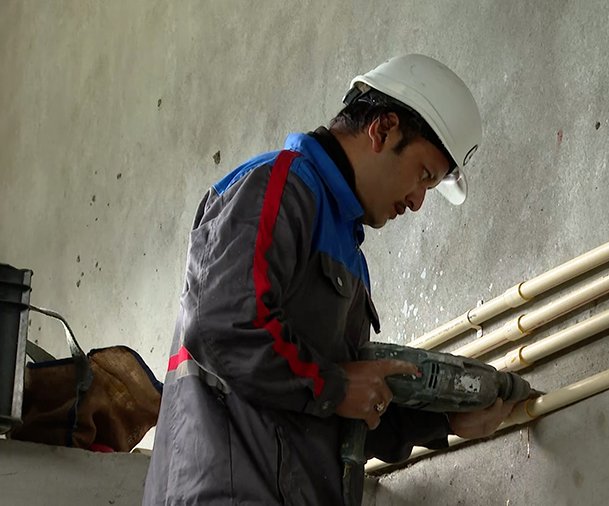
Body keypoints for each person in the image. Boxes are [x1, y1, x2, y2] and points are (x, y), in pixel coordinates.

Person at [143, 54, 514, 505]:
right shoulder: (280, 186)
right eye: (423, 175)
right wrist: (334, 386)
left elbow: (338, 411)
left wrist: (447, 422)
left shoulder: (349, 255)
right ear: (382, 129)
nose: (418, 201)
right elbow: (222, 323)